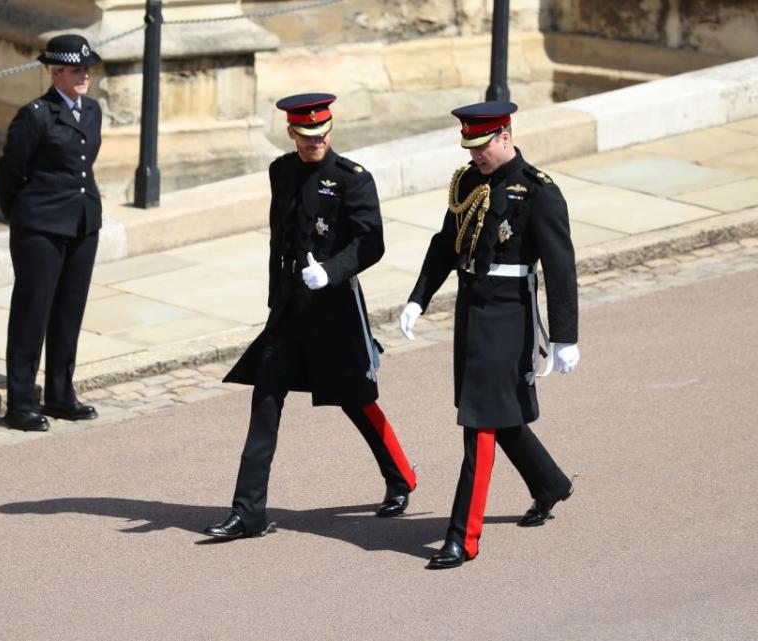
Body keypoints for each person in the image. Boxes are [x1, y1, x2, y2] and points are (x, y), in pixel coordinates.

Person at [203, 93, 418, 540]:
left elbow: (371, 242)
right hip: (289, 310)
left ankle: (400, 476)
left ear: (330, 130)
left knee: (356, 398)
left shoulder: (352, 179)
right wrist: (274, 295)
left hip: (334, 309)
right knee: (264, 402)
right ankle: (248, 512)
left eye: (320, 135)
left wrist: (333, 271)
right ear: (291, 134)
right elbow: (278, 237)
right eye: (305, 136)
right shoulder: (281, 170)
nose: (313, 143)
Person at [399, 101, 580, 569]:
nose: (476, 155)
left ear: (505, 135)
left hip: (509, 315)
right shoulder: (467, 182)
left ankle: (463, 538)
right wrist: (419, 297)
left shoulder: (539, 192)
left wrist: (565, 337)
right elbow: (446, 244)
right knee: (495, 412)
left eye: (482, 146)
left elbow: (561, 268)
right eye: (470, 147)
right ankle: (550, 484)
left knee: (478, 422)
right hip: (471, 308)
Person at [0, 34, 104, 432]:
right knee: (32, 313)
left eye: (87, 68)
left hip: (82, 222)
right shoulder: (35, 114)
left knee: (69, 312)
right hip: (39, 226)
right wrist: (21, 216)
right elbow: (8, 172)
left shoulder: (92, 110)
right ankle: (21, 403)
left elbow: (83, 167)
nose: (84, 75)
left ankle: (60, 394)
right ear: (56, 72)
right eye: (76, 69)